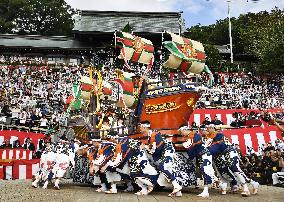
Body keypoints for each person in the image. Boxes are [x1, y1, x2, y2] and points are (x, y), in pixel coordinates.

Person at [206, 124, 259, 196]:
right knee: (235, 170)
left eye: (208, 129)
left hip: (231, 152)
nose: (207, 130)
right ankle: (254, 183)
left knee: (235, 168)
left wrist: (207, 151)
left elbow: (214, 149)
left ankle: (246, 188)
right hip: (227, 154)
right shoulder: (214, 137)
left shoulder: (218, 135)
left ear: (212, 128)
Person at [140, 120, 182, 197]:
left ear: (144, 127)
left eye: (141, 127)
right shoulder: (152, 134)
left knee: (162, 167)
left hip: (167, 152)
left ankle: (177, 186)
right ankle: (178, 191)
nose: (140, 129)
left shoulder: (153, 134)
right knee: (167, 170)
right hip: (165, 152)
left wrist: (145, 147)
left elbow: (155, 149)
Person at [179, 125, 215, 198]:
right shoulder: (192, 135)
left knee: (205, 171)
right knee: (204, 171)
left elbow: (189, 146)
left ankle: (206, 191)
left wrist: (178, 145)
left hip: (205, 155)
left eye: (181, 132)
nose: (181, 134)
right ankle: (209, 188)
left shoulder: (194, 135)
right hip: (202, 155)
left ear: (184, 130)